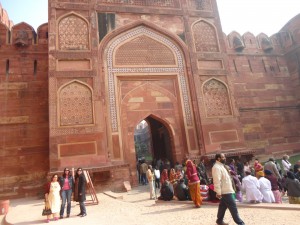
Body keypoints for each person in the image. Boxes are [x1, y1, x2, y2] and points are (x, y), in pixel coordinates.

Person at [212, 153, 245, 225]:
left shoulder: (222, 166)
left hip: (227, 189)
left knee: (223, 206)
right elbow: (217, 181)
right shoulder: (216, 167)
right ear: (218, 158)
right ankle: (240, 223)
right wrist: (218, 192)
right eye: (223, 157)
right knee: (233, 208)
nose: (225, 158)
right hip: (225, 191)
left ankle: (219, 221)